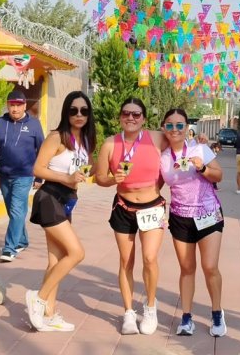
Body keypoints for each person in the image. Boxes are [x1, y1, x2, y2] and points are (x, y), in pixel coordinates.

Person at [94, 97, 168, 335]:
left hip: (152, 207)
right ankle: (128, 313)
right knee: (126, 262)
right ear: (120, 117)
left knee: (149, 259)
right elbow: (99, 178)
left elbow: (180, 145)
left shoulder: (157, 138)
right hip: (124, 207)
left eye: (136, 114)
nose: (131, 118)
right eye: (126, 113)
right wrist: (111, 179)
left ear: (144, 119)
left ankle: (150, 307)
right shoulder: (109, 144)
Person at [25, 91, 96, 332]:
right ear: (66, 112)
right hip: (50, 197)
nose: (79, 115)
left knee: (55, 260)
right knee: (76, 253)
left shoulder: (86, 141)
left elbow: (86, 168)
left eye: (84, 111)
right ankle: (39, 297)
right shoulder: (56, 137)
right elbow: (38, 168)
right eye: (74, 110)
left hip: (67, 200)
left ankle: (49, 313)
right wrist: (66, 177)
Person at [160, 109, 227, 337]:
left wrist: (202, 168)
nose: (175, 130)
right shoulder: (163, 158)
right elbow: (155, 185)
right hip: (180, 217)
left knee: (209, 266)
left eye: (180, 125)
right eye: (169, 125)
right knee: (187, 268)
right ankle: (187, 317)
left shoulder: (200, 149)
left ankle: (217, 313)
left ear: (187, 127)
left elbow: (219, 175)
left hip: (208, 214)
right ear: (163, 129)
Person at [0, 90, 45, 262]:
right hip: (4, 174)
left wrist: (40, 176)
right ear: (7, 105)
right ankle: (22, 240)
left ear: (25, 106)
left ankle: (9, 248)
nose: (15, 109)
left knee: (17, 210)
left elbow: (42, 150)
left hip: (25, 175)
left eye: (18, 105)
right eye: (12, 105)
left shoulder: (34, 124)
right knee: (14, 213)